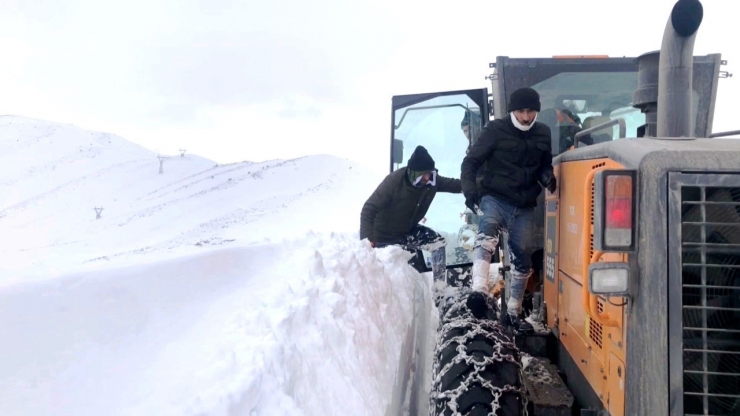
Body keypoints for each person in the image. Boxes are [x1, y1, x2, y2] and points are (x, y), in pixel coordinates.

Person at [460, 87, 557, 334]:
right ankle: (479, 291)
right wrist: (470, 191)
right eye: (521, 111)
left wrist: (547, 177)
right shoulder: (495, 130)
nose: (526, 117)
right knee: (488, 229)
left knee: (522, 255)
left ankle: (513, 314)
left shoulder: (543, 133)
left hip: (524, 204)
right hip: (495, 196)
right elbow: (470, 162)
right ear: (513, 111)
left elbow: (543, 164)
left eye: (531, 111)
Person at [360, 145, 462, 282]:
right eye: (424, 174)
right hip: (383, 238)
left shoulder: (432, 181)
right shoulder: (394, 182)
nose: (427, 177)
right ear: (413, 172)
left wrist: (481, 186)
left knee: (437, 244)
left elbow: (455, 185)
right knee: (401, 279)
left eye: (429, 173)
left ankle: (440, 291)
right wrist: (367, 241)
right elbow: (368, 209)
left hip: (407, 232)